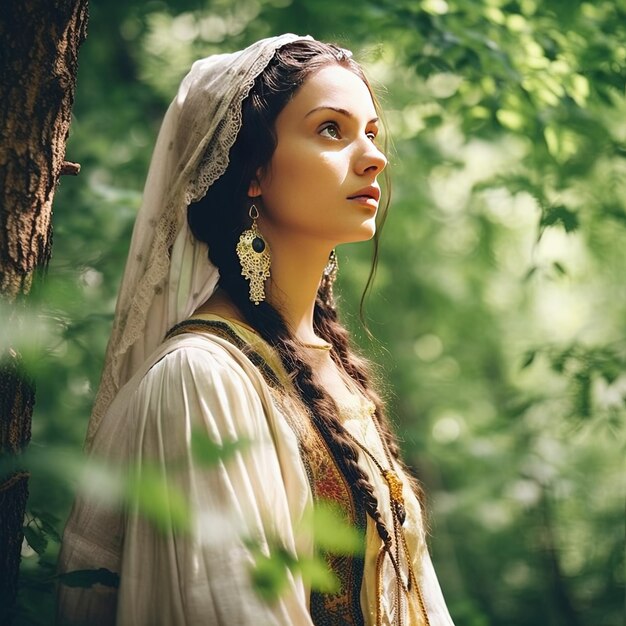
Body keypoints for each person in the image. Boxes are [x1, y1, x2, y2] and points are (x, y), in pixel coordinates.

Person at [57, 34, 455, 626]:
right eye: (331, 130)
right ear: (252, 173)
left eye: (372, 132)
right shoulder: (202, 381)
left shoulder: (333, 375)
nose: (374, 157)